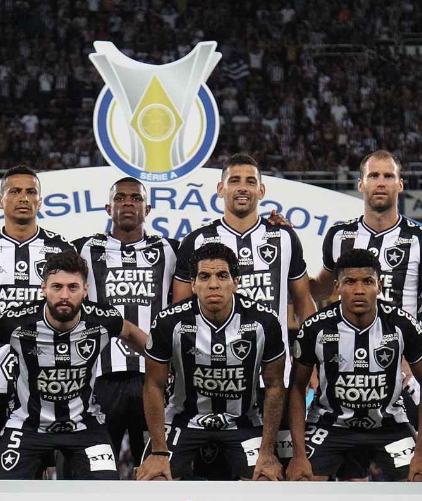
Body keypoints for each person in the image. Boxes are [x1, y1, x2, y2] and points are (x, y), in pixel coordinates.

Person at [171, 153, 316, 472]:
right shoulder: (198, 240)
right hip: (212, 380)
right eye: (234, 180)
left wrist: (312, 362)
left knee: (278, 469)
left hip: (275, 377)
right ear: (220, 189)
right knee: (214, 475)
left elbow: (304, 304)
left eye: (250, 181)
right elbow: (179, 312)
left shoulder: (284, 237)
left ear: (261, 190)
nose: (242, 187)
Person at [315, 150, 422, 478]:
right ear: (360, 184)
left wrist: (408, 362)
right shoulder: (340, 236)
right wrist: (285, 241)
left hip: (401, 384)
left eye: (388, 176)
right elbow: (317, 291)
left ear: (399, 185)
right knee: (348, 483)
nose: (381, 182)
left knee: (415, 477)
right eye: (373, 175)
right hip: (345, 381)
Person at [0, 251, 148, 480]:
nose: (64, 295)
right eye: (57, 287)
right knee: (8, 493)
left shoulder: (103, 319)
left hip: (85, 425)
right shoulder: (16, 321)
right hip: (27, 425)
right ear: (44, 289)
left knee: (107, 491)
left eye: (73, 287)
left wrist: (167, 364)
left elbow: (130, 333)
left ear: (85, 290)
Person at [0, 165, 77, 478]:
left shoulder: (61, 250)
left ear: (40, 201)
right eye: (15, 191)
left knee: (37, 474)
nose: (23, 198)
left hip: (44, 383)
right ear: (0, 200)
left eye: (31, 192)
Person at [285, 249, 422, 482]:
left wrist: (421, 451)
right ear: (337, 287)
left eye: (367, 281)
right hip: (329, 424)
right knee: (302, 481)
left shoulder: (402, 324)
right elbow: (297, 388)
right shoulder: (315, 328)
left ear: (379, 286)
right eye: (350, 282)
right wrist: (298, 454)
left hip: (389, 424)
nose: (359, 290)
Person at [136, 244, 287, 481]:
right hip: (182, 420)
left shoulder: (264, 321)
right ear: (193, 284)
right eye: (204, 277)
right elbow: (153, 386)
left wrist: (267, 452)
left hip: (243, 421)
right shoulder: (169, 321)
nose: (213, 284)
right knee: (155, 479)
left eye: (222, 276)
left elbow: (275, 386)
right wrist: (158, 451)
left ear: (236, 283)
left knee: (265, 480)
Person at [73, 176, 178, 474]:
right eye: (120, 198)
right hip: (101, 376)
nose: (128, 203)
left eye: (136, 198)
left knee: (156, 468)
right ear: (108, 208)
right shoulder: (84, 248)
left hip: (154, 376)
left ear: (148, 208)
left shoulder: (171, 249)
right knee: (98, 470)